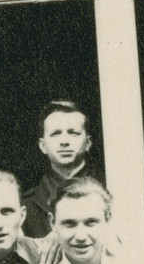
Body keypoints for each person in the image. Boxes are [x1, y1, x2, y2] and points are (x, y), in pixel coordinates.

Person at [21, 99, 103, 239]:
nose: (64, 141)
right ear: (42, 146)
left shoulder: (112, 189)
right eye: (55, 134)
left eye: (73, 133)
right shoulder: (27, 205)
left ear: (88, 143)